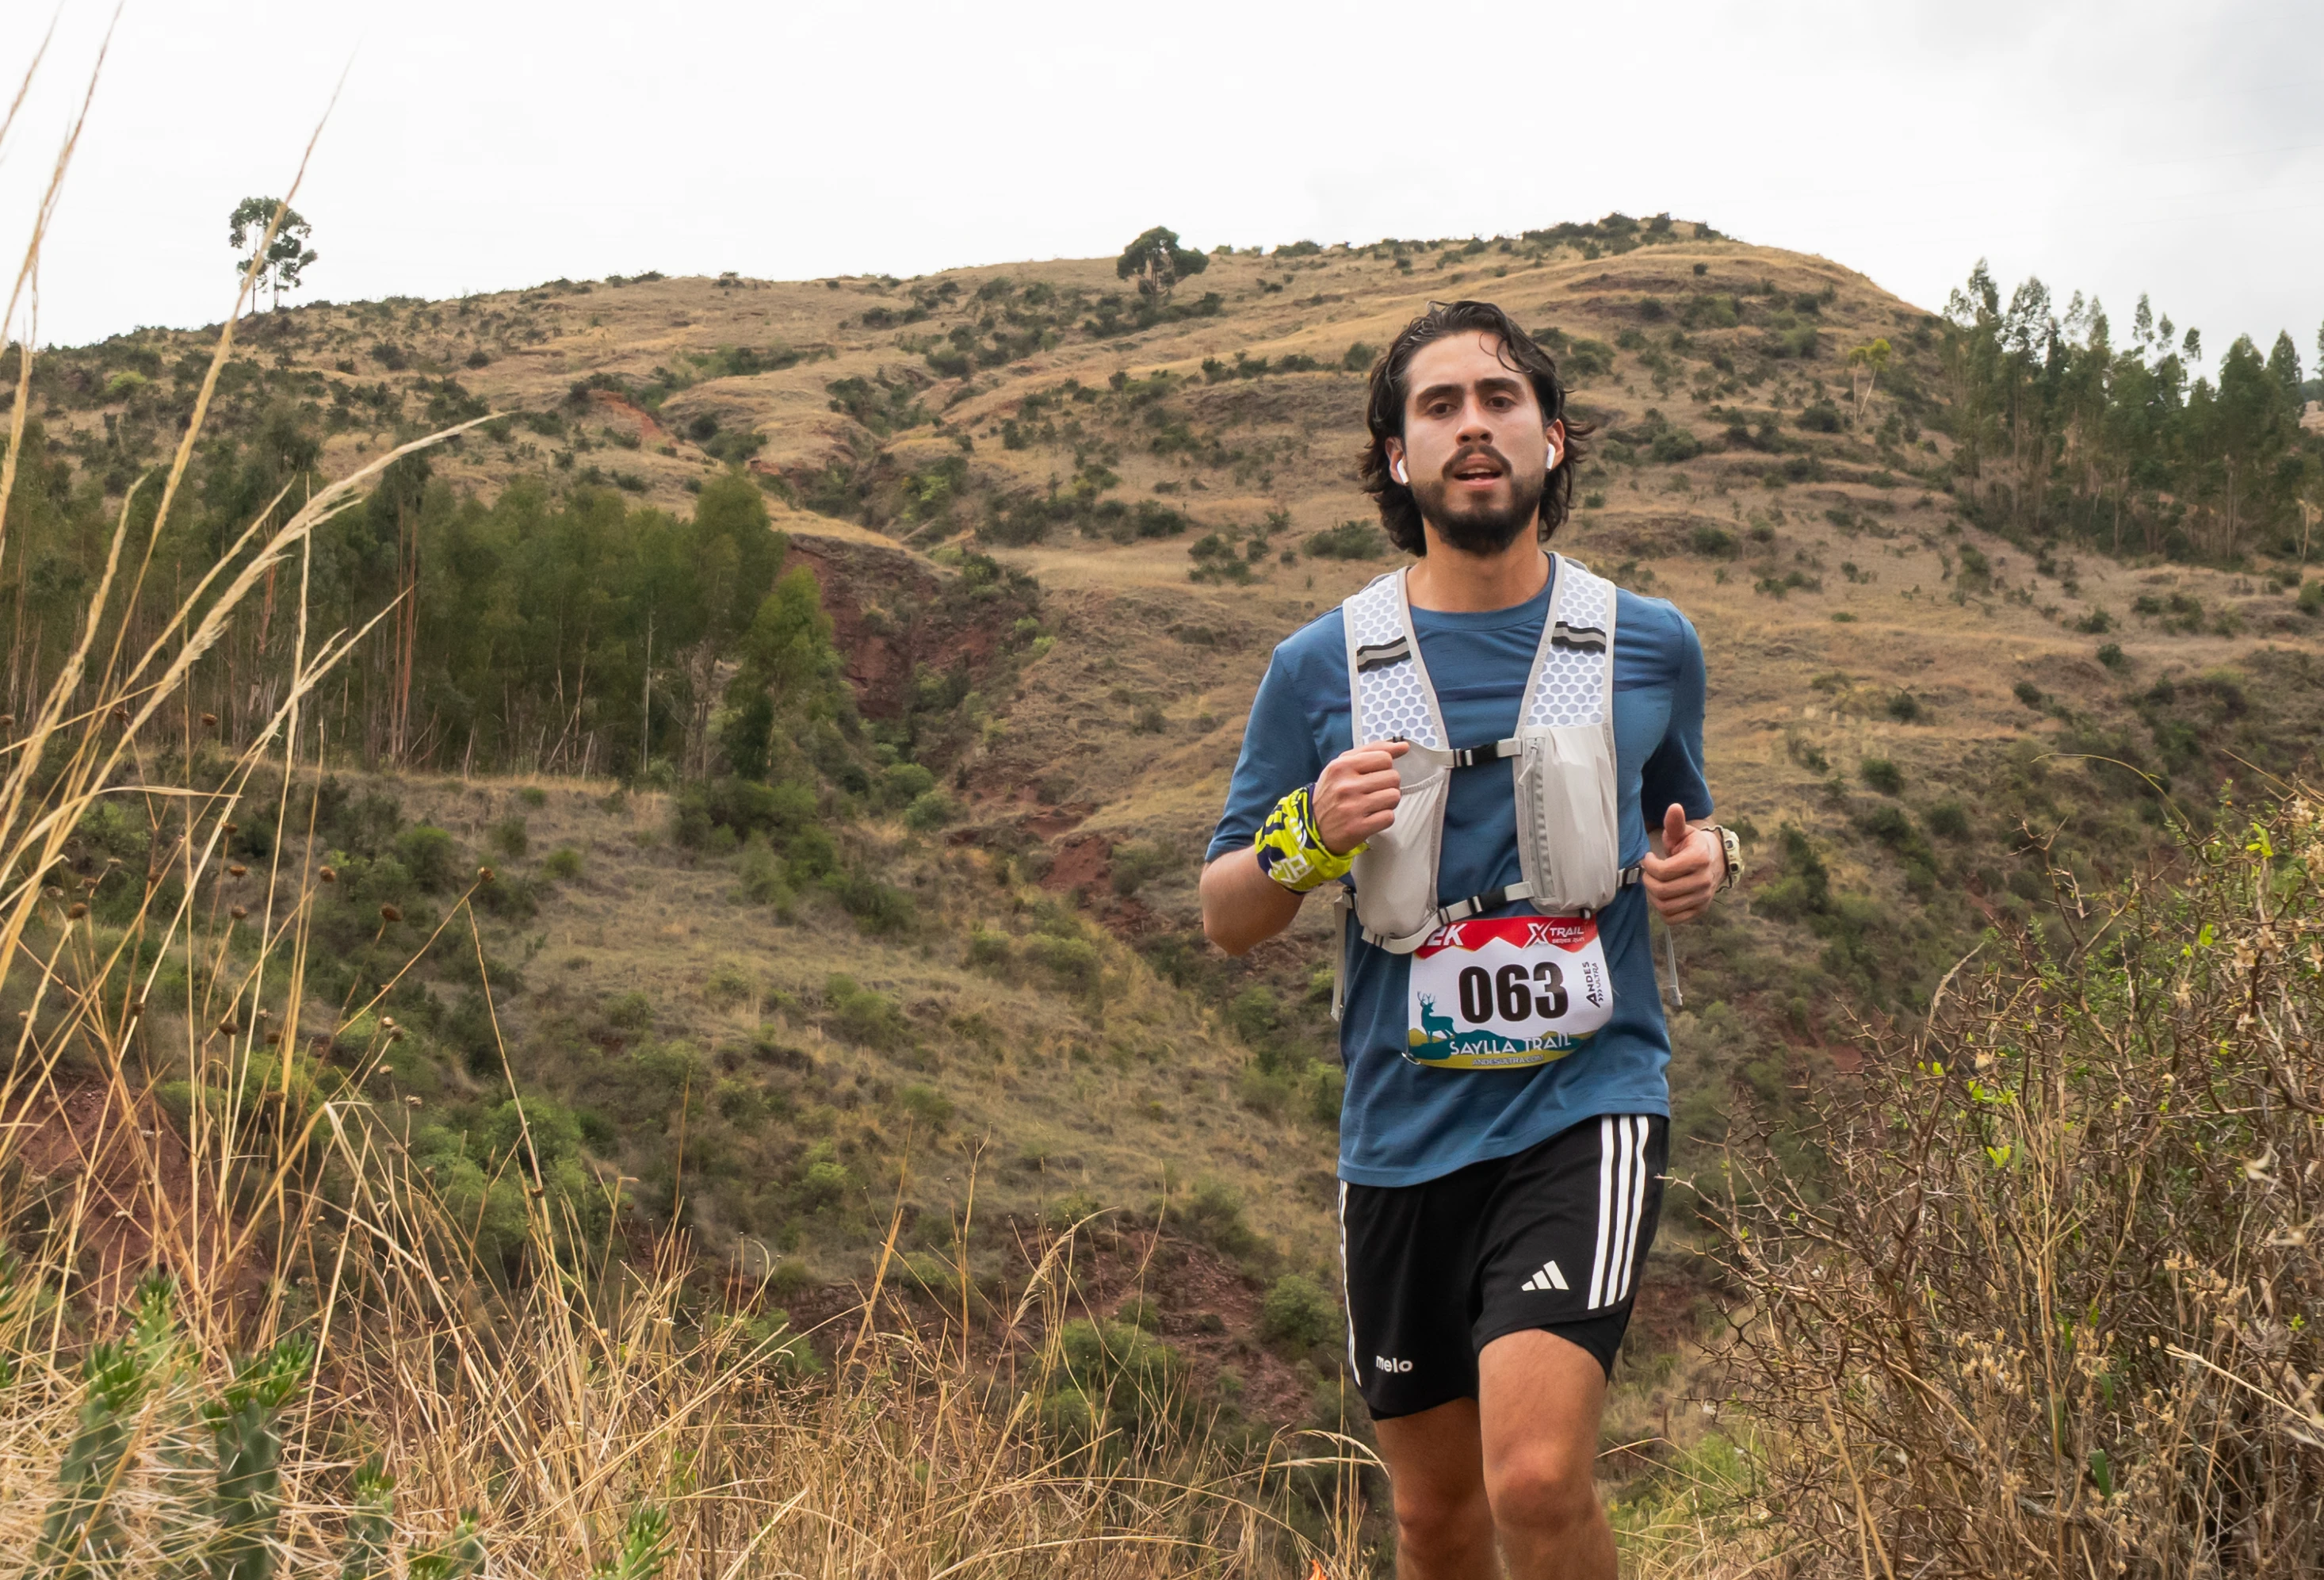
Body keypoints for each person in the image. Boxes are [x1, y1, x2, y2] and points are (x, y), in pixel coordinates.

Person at [1199, 300, 1738, 1580]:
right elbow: (1227, 913)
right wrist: (1308, 835)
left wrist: (1708, 863)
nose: (1472, 427)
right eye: (1437, 408)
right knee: (1436, 1523)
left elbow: (1691, 825)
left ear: (1554, 440)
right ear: (1398, 459)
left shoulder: (1649, 642)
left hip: (1583, 1103)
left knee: (1537, 1482)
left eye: (1499, 400)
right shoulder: (1318, 666)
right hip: (1400, 1133)